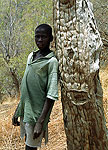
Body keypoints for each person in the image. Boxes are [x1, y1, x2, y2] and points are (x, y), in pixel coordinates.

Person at [12, 24, 58, 150]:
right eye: (37, 37)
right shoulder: (31, 56)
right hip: (26, 111)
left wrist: (40, 122)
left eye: (44, 37)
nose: (40, 40)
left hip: (37, 115)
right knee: (28, 143)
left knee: (30, 148)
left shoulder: (51, 62)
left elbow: (51, 94)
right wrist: (18, 110)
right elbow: (26, 87)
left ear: (51, 38)